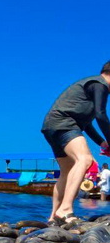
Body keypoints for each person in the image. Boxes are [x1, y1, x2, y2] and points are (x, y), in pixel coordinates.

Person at [41, 61, 110, 224]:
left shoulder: (91, 89)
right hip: (64, 123)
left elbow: (87, 125)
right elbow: (101, 115)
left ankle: (53, 217)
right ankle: (66, 209)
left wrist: (102, 142)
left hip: (52, 125)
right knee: (84, 159)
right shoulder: (100, 85)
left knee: (67, 170)